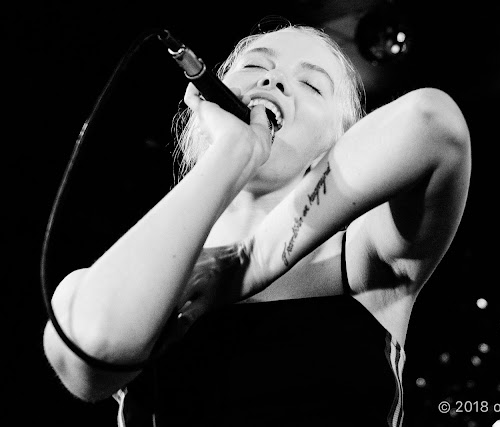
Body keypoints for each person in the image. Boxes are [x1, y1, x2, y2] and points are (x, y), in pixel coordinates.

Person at [43, 21, 471, 427]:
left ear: (338, 142)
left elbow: (431, 122)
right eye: (255, 66)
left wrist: (250, 259)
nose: (274, 82)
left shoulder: (365, 254)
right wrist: (233, 152)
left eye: (311, 84)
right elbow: (93, 354)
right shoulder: (136, 262)